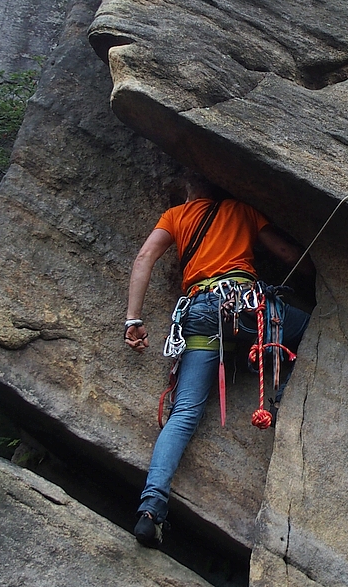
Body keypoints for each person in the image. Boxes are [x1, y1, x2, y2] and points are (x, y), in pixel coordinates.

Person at [124, 173, 312, 548]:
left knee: (185, 413)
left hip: (198, 314)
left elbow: (145, 256)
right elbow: (288, 256)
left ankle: (151, 508)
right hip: (245, 307)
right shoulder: (243, 211)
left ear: (191, 188)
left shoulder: (175, 216)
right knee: (309, 328)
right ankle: (281, 398)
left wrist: (133, 320)